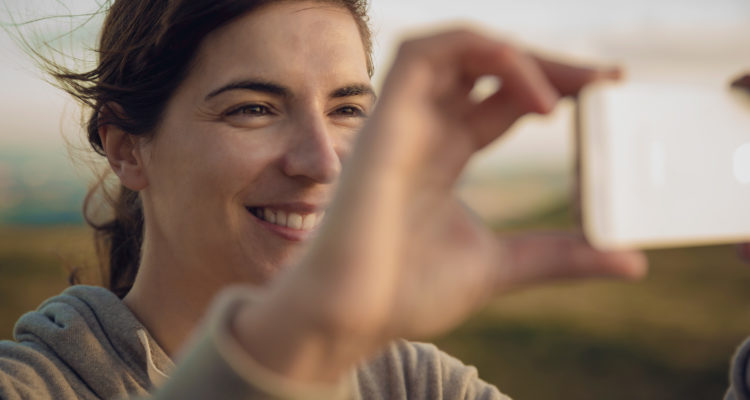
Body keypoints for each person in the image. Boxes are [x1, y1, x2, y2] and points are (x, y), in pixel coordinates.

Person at [0, 0, 651, 399]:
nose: (320, 161)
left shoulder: (411, 384)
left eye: (347, 110)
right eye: (253, 109)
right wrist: (298, 348)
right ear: (125, 150)